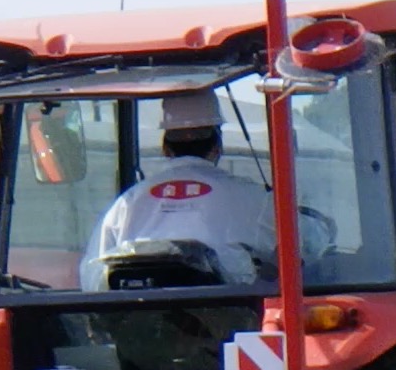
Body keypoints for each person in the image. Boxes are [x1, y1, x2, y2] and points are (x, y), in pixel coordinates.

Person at [80, 89, 278, 291]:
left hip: (137, 319)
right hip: (229, 318)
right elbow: (302, 247)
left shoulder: (127, 203)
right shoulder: (253, 198)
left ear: (165, 147)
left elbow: (92, 277)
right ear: (218, 144)